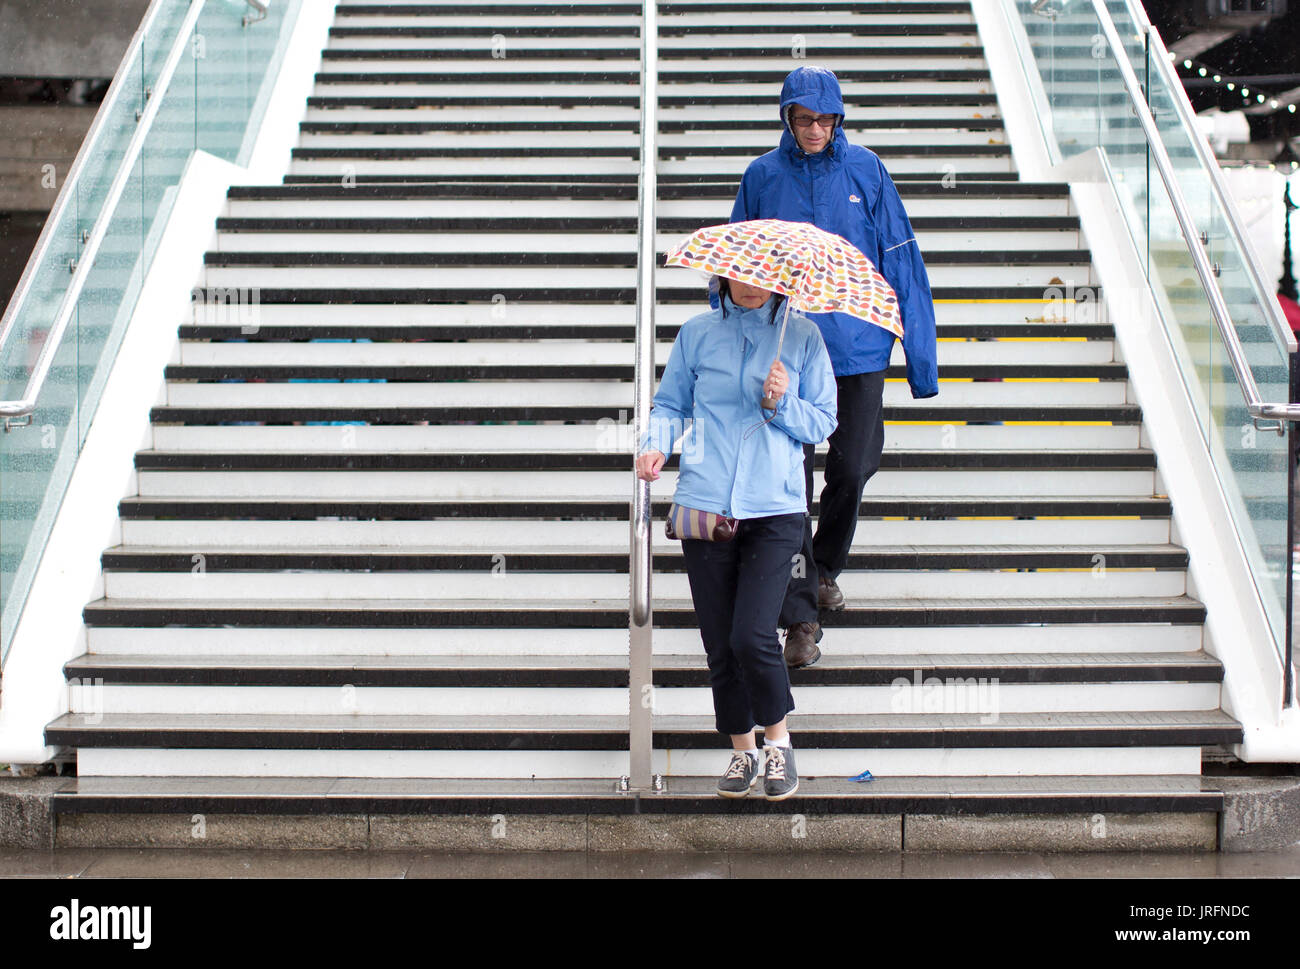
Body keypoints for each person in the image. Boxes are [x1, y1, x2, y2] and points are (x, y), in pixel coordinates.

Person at [726, 65, 939, 668]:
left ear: (839, 119)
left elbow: (902, 261)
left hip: (859, 349)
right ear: (787, 118)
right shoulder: (762, 177)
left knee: (851, 468)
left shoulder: (866, 171)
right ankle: (800, 616)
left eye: (824, 118)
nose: (814, 128)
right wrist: (732, 344)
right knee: (789, 479)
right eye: (803, 117)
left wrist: (920, 361)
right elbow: (737, 264)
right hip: (786, 349)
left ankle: (823, 567)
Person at [635, 276, 836, 799]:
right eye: (740, 275)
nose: (751, 285)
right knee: (721, 643)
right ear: (723, 276)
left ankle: (778, 744)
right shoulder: (696, 334)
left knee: (752, 635)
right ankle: (742, 751)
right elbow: (670, 404)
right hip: (705, 505)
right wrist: (655, 446)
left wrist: (783, 400)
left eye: (763, 275)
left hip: (775, 508)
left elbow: (824, 422)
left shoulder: (804, 337)